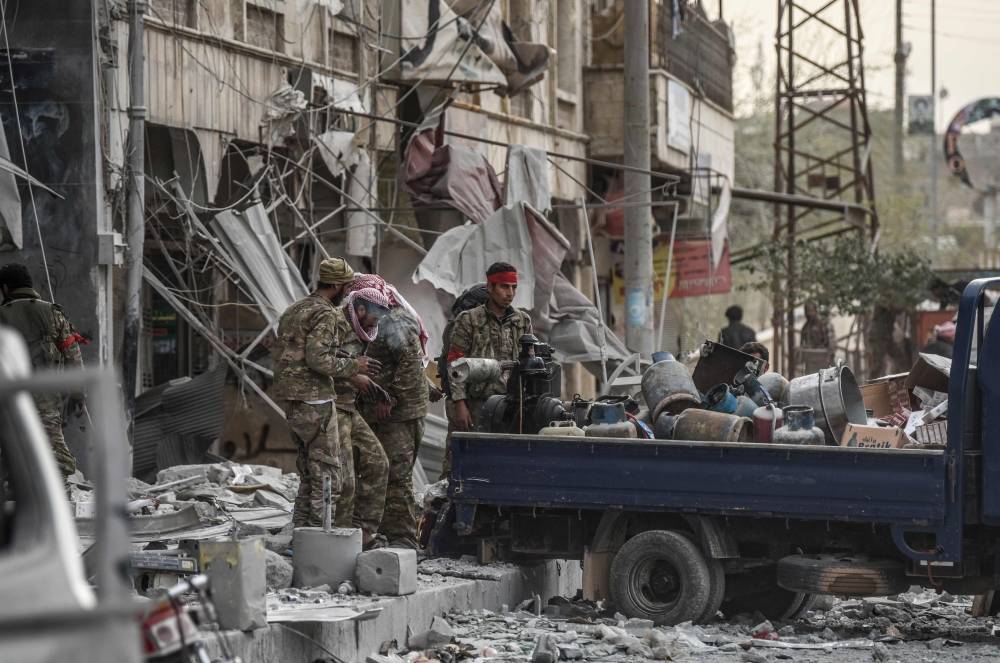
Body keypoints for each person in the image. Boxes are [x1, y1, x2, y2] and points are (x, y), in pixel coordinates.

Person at [273, 258, 378, 529]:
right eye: (345, 286)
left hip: (293, 400)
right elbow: (318, 359)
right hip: (315, 400)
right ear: (334, 285)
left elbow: (297, 351)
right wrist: (356, 365)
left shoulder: (294, 309)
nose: (347, 292)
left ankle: (299, 536)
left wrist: (338, 354)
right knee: (328, 476)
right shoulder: (327, 313)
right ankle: (320, 542)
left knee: (309, 473)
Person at [355, 274, 436, 549]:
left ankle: (404, 539)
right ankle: (389, 532)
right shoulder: (381, 321)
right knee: (382, 473)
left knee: (397, 477)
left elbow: (411, 361)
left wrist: (389, 400)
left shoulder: (394, 319)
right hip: (391, 412)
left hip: (399, 415)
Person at [0, 263, 87, 491]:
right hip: (46, 399)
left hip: (8, 399)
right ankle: (61, 503)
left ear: (6, 288)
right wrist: (79, 394)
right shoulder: (52, 313)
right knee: (55, 455)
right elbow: (72, 357)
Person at [440, 263, 532, 478]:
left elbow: (527, 364)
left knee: (501, 470)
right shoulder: (468, 320)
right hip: (473, 404)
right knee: (457, 468)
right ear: (490, 288)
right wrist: (460, 404)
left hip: (506, 407)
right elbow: (455, 363)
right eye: (504, 287)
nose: (510, 294)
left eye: (513, 287)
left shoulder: (522, 321)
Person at [332, 287, 391, 549]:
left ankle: (363, 531)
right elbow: (314, 360)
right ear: (360, 309)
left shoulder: (360, 333)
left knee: (378, 461)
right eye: (374, 319)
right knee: (344, 476)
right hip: (328, 407)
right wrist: (352, 374)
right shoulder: (333, 322)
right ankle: (342, 540)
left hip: (348, 407)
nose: (375, 325)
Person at [800, 304, 837, 374]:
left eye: (811, 311)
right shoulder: (806, 327)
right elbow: (803, 343)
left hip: (824, 361)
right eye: (807, 311)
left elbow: (832, 342)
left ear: (816, 311)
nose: (809, 313)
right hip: (811, 363)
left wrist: (829, 357)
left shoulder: (825, 324)